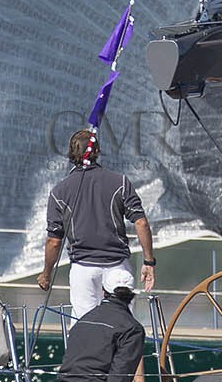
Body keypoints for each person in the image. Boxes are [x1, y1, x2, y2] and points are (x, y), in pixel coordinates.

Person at [39, 129, 156, 318]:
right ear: (97, 152)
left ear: (70, 154)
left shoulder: (59, 192)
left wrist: (46, 273)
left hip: (83, 270)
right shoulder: (121, 183)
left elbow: (54, 242)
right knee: (122, 328)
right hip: (118, 267)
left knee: (84, 329)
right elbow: (141, 223)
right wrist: (149, 262)